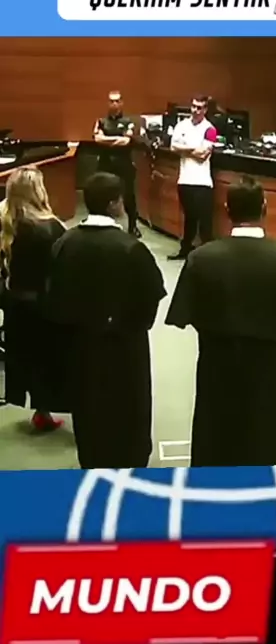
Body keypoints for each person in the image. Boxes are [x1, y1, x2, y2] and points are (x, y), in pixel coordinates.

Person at [165, 175, 276, 467]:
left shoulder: (201, 259)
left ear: (226, 210)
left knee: (215, 438)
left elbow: (183, 314)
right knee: (270, 441)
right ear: (264, 207)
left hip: (217, 368)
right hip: (272, 374)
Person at [47, 172, 166, 468]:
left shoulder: (65, 242)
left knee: (89, 412)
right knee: (128, 414)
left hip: (80, 347)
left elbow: (53, 296)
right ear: (114, 203)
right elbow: (151, 296)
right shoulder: (130, 248)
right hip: (124, 349)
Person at [0, 167, 67, 431]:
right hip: (42, 304)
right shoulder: (50, 228)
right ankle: (44, 410)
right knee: (48, 360)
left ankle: (39, 410)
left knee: (24, 357)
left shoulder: (6, 222)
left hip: (12, 301)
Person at [168, 95, 217, 261]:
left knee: (204, 221)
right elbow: (173, 147)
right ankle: (185, 250)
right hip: (184, 179)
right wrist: (193, 148)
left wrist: (184, 148)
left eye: (200, 107)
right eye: (194, 106)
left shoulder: (210, 129)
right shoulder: (181, 125)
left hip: (202, 182)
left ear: (205, 110)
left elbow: (203, 156)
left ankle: (207, 255)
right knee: (189, 218)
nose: (196, 110)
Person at [93, 90, 141, 237]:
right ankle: (102, 225)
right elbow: (97, 139)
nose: (114, 104)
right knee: (102, 195)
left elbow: (126, 141)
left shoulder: (128, 122)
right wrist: (117, 139)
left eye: (117, 101)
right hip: (105, 164)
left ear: (121, 103)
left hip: (124, 164)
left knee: (129, 196)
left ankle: (133, 226)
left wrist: (107, 140)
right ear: (108, 103)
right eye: (111, 101)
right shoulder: (101, 121)